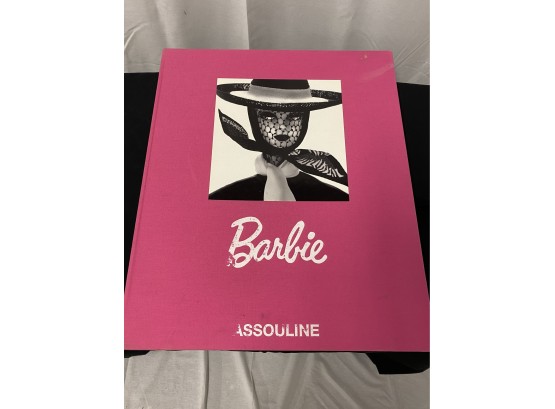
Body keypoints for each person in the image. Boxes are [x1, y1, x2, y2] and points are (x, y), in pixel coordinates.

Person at [210, 79, 349, 201]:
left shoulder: (336, 198)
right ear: (253, 118)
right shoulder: (222, 198)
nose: (282, 126)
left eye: (294, 116)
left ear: (305, 120)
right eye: (268, 117)